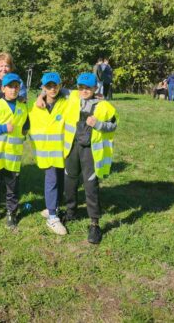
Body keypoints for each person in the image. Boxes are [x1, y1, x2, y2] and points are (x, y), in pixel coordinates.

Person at [63, 72, 118, 244]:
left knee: (90, 184)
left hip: (90, 151)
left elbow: (113, 125)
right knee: (70, 180)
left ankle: (94, 223)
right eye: (81, 87)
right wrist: (42, 95)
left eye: (88, 88)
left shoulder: (105, 106)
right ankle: (71, 212)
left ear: (95, 88)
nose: (84, 90)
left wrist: (98, 124)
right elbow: (55, 90)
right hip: (72, 147)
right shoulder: (72, 98)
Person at [0, 73, 29, 229]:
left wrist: (24, 131)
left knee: (12, 186)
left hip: (13, 155)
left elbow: (26, 125)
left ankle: (11, 212)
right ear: (3, 88)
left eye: (16, 86)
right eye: (10, 86)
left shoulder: (23, 107)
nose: (13, 89)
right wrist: (4, 128)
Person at [29, 72, 69, 236]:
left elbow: (77, 94)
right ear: (43, 88)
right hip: (46, 152)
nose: (53, 89)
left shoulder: (66, 103)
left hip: (62, 150)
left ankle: (54, 206)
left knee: (60, 179)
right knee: (51, 180)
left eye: (55, 85)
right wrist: (40, 97)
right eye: (48, 86)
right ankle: (52, 217)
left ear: (60, 86)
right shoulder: (35, 107)